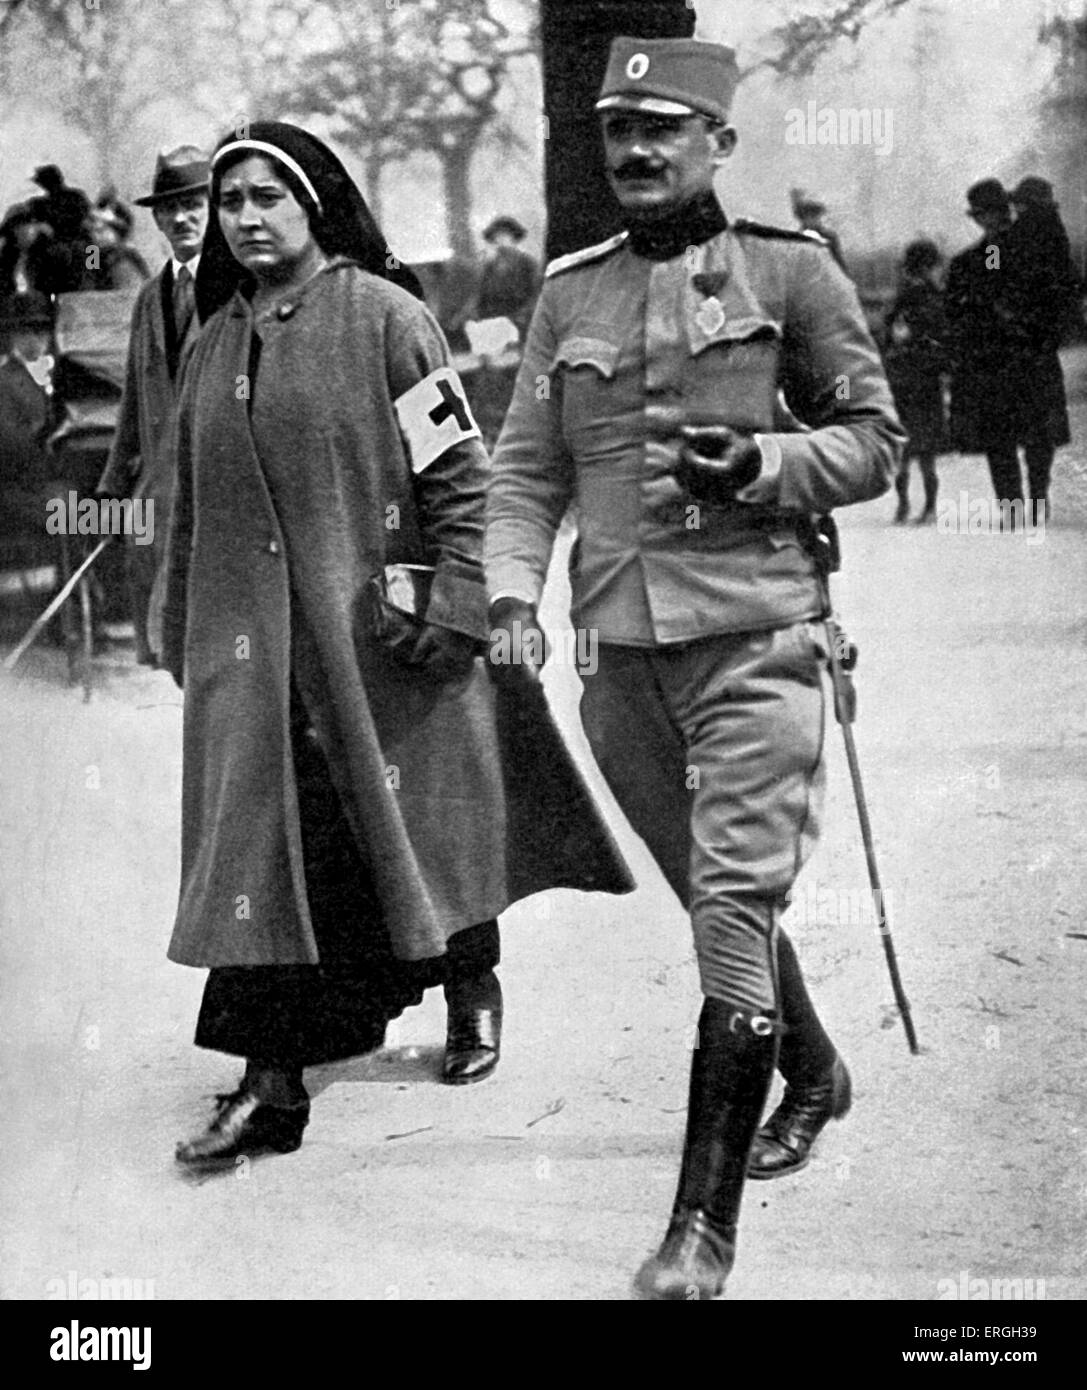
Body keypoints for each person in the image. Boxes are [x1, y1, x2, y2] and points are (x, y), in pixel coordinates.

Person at [486, 37, 904, 1300]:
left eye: (667, 129)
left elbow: (875, 437)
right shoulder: (570, 291)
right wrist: (511, 592)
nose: (640, 152)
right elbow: (524, 468)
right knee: (715, 896)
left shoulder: (793, 270)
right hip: (616, 661)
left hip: (758, 641)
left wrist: (773, 468)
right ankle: (815, 1069)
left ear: (719, 142)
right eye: (621, 132)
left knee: (729, 905)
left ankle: (695, 1238)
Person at [160, 122, 631, 1167]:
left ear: (316, 206)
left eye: (266, 198)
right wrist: (176, 613)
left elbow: (461, 473)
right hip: (257, 661)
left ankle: (470, 982)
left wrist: (459, 602)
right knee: (266, 854)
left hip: (384, 643)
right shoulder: (212, 340)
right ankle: (270, 1084)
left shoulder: (389, 321)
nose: (243, 218)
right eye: (230, 201)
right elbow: (189, 500)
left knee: (424, 831)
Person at [96, 145, 210, 666]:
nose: (182, 218)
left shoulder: (239, 293)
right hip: (157, 498)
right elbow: (132, 408)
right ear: (158, 219)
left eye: (194, 205)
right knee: (169, 650)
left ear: (213, 209)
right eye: (171, 209)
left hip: (214, 495)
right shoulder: (148, 297)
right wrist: (112, 491)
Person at [946, 178, 1070, 523]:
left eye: (993, 213)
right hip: (1012, 357)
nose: (989, 220)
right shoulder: (993, 252)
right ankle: (1018, 506)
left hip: (1016, 355)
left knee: (1029, 438)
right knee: (1012, 437)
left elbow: (997, 287)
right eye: (983, 215)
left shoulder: (1007, 249)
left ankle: (1031, 502)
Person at [883, 238, 948, 524]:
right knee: (927, 452)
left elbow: (888, 336)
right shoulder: (935, 299)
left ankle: (903, 505)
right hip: (926, 380)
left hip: (901, 379)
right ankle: (930, 507)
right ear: (929, 267)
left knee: (903, 450)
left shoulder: (901, 299)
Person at [474, 215, 540, 343]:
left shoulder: (527, 262)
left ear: (514, 238)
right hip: (493, 320)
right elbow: (481, 296)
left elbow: (536, 294)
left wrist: (522, 316)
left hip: (520, 318)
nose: (501, 241)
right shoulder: (489, 265)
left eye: (505, 236)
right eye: (497, 237)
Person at [84, 191, 151, 291]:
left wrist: (110, 221)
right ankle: (94, 287)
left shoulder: (114, 213)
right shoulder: (92, 214)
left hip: (114, 245)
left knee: (130, 250)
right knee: (92, 261)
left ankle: (148, 279)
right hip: (96, 247)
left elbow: (125, 226)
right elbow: (87, 228)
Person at [791, 187, 848, 274]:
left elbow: (838, 262)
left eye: (814, 215)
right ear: (801, 218)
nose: (811, 220)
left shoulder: (829, 236)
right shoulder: (796, 238)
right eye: (806, 216)